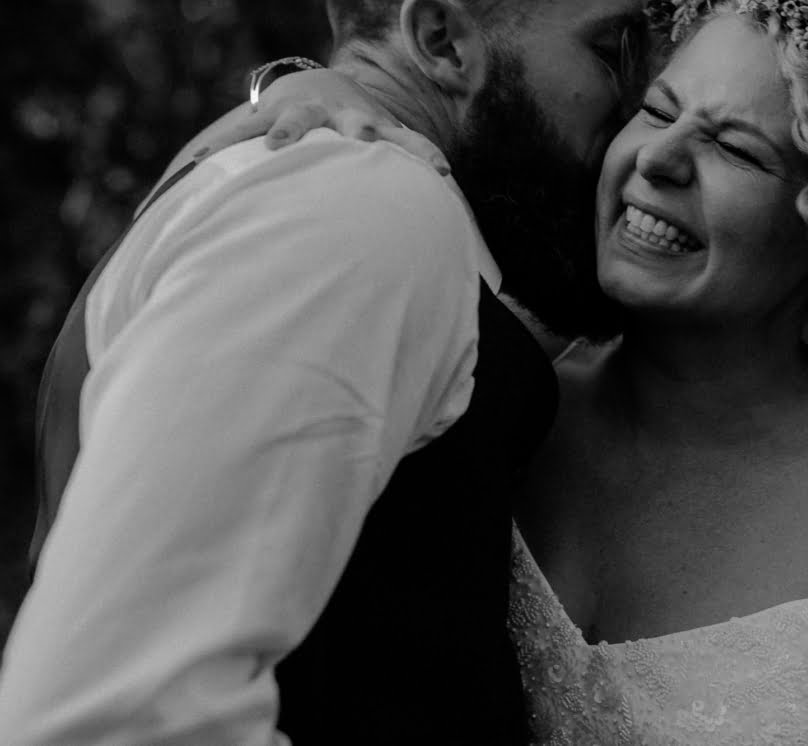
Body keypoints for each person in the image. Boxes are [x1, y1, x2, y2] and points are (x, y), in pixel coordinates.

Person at [201, 0, 808, 742]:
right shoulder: (497, 385)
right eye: (656, 109)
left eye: (735, 149)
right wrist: (305, 87)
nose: (658, 158)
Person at [0, 0, 651, 743]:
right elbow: (122, 716)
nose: (635, 104)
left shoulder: (318, 187)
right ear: (440, 39)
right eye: (611, 51)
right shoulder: (360, 204)